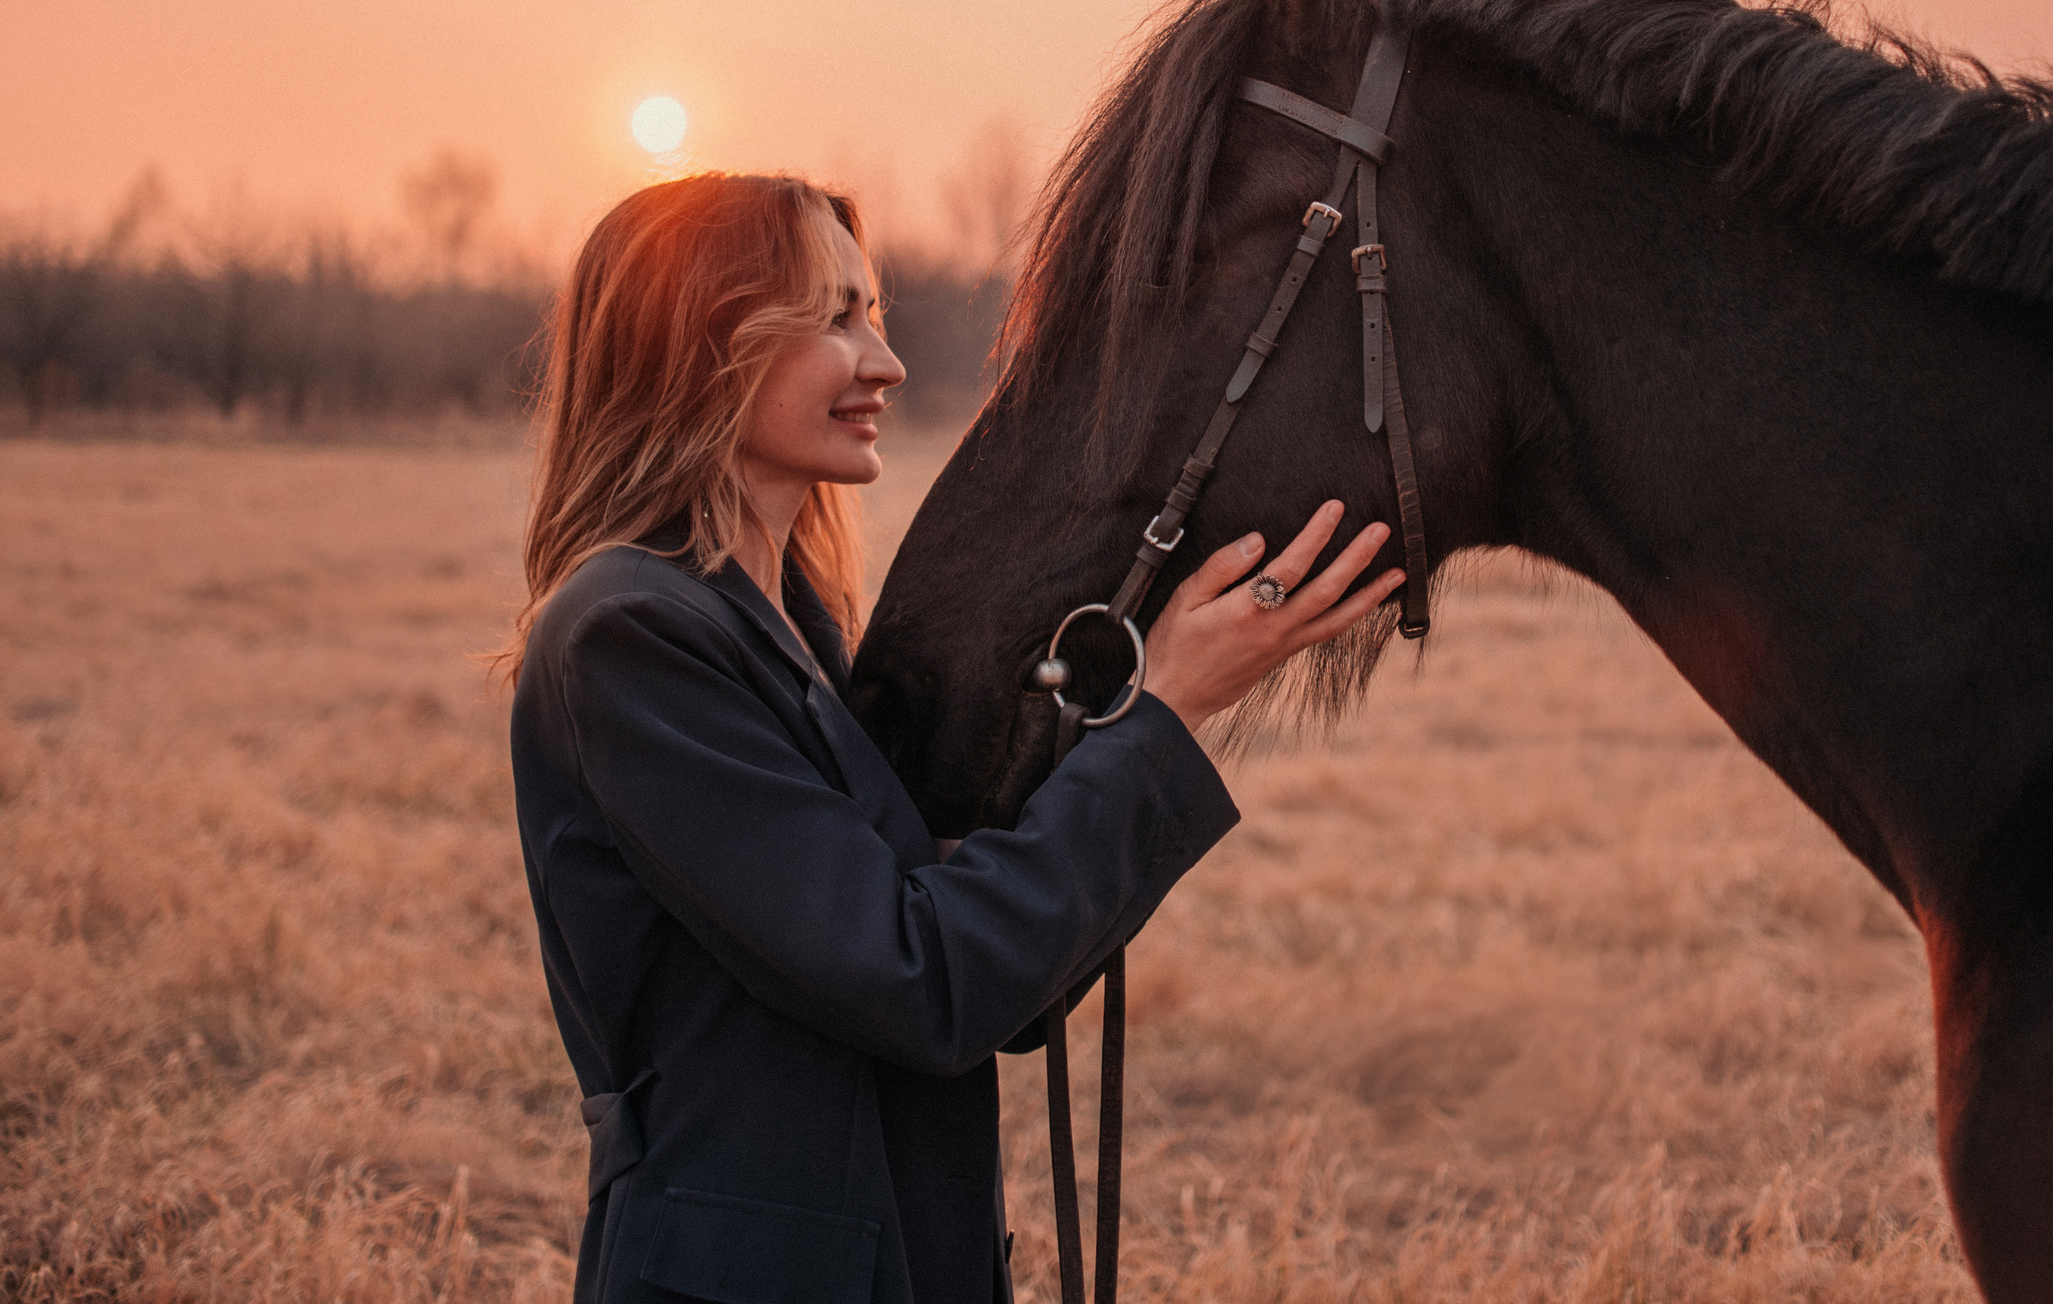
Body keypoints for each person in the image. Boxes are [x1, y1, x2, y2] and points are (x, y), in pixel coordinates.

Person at [504, 173, 1402, 1304]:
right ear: (704, 341)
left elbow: (1003, 995)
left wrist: (1146, 707)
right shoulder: (630, 634)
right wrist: (1164, 711)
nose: (883, 362)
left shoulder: (798, 628)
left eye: (870, 312)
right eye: (835, 317)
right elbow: (922, 979)